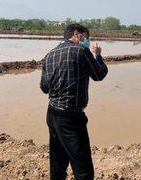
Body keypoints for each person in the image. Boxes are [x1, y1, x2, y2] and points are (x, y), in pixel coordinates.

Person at [40, 23, 108, 180]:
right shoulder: (81, 51)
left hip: (52, 114)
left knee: (57, 162)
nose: (87, 42)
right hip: (71, 117)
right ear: (77, 34)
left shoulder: (49, 55)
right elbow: (99, 74)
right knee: (83, 168)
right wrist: (98, 55)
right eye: (86, 37)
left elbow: (44, 88)